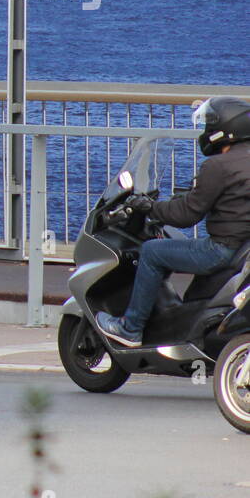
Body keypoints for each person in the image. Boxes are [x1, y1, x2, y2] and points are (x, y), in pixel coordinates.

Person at [96, 97, 250, 347]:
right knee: (174, 245)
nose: (206, 131)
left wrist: (151, 208)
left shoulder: (218, 165)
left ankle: (130, 329)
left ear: (223, 129)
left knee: (152, 251)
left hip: (221, 249)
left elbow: (187, 215)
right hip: (243, 247)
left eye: (209, 124)